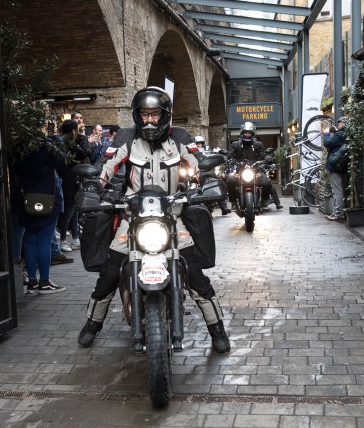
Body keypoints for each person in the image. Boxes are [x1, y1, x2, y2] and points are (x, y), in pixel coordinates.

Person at [77, 86, 230, 353]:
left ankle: (217, 329)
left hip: (173, 214)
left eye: (155, 114)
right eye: (145, 114)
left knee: (195, 274)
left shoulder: (180, 137)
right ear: (137, 115)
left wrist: (206, 178)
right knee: (110, 272)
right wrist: (94, 185)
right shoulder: (126, 137)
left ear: (165, 115)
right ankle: (93, 323)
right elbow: (107, 164)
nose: (149, 120)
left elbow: (197, 160)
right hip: (132, 215)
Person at [14, 123, 68, 294]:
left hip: (27, 198)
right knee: (44, 240)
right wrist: (54, 140)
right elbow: (63, 161)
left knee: (30, 241)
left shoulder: (19, 149)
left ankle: (32, 281)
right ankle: (44, 281)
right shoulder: (44, 146)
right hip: (47, 198)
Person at [227, 122, 283, 210]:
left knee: (266, 183)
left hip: (256, 170)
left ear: (252, 134)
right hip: (240, 171)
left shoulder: (258, 144)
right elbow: (230, 153)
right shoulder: (235, 144)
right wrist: (226, 158)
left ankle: (264, 200)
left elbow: (263, 154)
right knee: (230, 181)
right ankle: (233, 202)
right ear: (242, 133)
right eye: (245, 132)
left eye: (249, 133)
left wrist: (267, 157)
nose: (247, 134)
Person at [58, 119, 92, 252]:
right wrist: (78, 143)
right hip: (68, 180)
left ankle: (76, 238)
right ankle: (63, 240)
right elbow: (83, 153)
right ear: (73, 130)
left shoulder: (72, 141)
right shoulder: (64, 143)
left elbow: (86, 153)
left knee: (74, 211)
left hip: (72, 179)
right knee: (68, 211)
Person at [324, 117, 348, 221]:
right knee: (341, 190)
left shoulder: (340, 134)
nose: (338, 125)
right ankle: (339, 212)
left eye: (339, 124)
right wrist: (336, 131)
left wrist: (326, 133)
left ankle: (338, 213)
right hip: (343, 166)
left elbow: (327, 143)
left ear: (343, 124)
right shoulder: (346, 134)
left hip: (335, 166)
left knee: (337, 191)